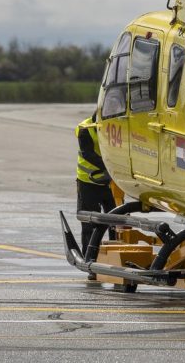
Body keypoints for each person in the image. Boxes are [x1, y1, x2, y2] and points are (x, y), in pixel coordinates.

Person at [76, 112, 116, 265]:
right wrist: (110, 166)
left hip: (108, 182)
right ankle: (89, 259)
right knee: (89, 224)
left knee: (116, 220)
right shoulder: (85, 129)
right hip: (88, 182)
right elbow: (88, 154)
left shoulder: (112, 127)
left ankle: (116, 255)